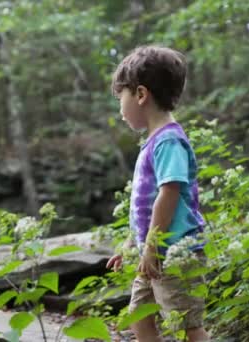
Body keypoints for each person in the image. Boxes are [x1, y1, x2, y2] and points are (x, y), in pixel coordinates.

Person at [106, 46, 210, 341]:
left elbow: (169, 194)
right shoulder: (153, 143)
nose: (120, 110)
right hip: (152, 255)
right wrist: (131, 245)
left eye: (120, 99)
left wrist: (151, 247)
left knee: (187, 324)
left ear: (140, 94)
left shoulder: (169, 142)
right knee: (138, 317)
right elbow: (145, 206)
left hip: (175, 253)